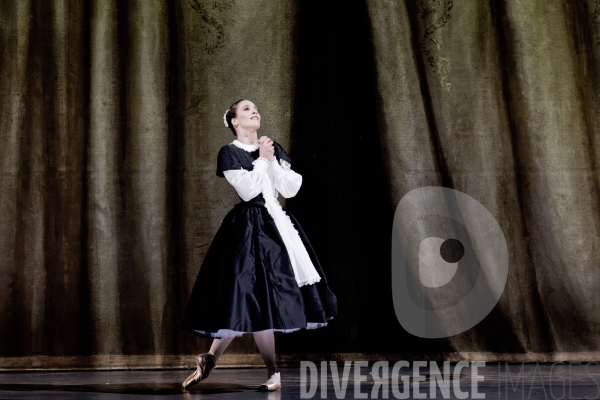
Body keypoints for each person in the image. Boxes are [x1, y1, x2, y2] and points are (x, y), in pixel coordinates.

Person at [180, 99, 338, 392]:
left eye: (256, 108)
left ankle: (267, 372)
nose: (255, 111)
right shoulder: (229, 153)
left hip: (278, 226)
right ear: (235, 122)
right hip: (249, 228)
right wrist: (263, 159)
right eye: (246, 110)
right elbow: (248, 189)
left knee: (264, 297)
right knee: (245, 294)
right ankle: (216, 359)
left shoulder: (271, 146)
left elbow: (291, 187)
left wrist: (272, 158)